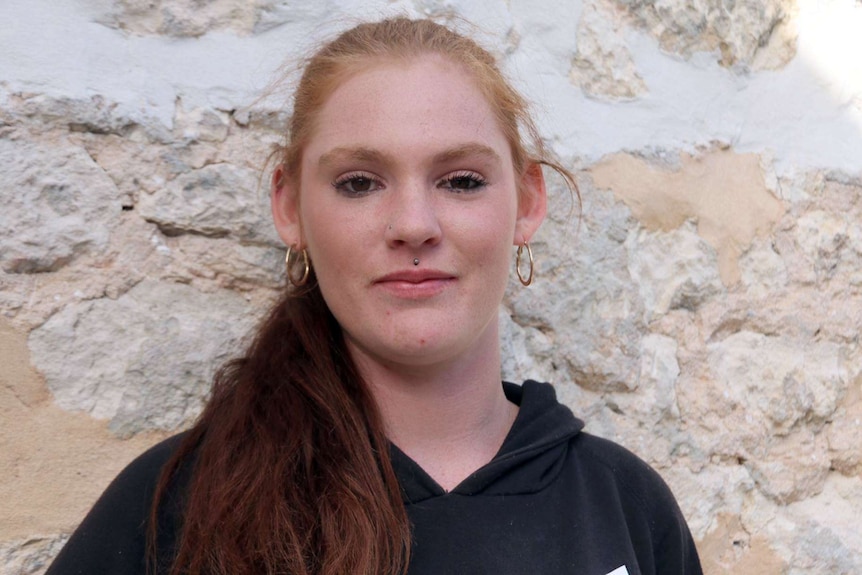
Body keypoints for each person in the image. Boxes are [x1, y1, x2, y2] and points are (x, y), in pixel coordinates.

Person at [46, 17, 703, 575]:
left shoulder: (627, 506)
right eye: (360, 183)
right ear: (290, 207)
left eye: (462, 180)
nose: (414, 223)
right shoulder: (175, 506)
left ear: (528, 202)